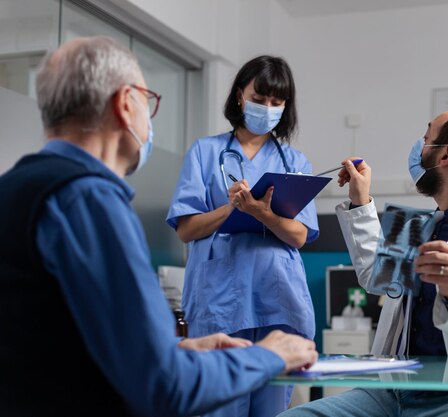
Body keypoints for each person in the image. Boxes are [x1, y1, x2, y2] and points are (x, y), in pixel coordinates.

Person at [0, 36, 317, 417]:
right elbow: (163, 384)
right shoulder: (88, 198)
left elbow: (64, 338)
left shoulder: (15, 186)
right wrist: (267, 358)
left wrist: (178, 350)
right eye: (148, 100)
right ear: (124, 104)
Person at [281, 107, 448, 417]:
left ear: (445, 155)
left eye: (426, 136)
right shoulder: (418, 224)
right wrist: (360, 200)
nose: (419, 145)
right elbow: (375, 276)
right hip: (392, 393)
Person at [166, 55, 318, 417]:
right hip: (220, 303)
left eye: (276, 103)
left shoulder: (294, 162)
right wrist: (232, 209)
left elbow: (299, 236)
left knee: (271, 411)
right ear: (239, 96)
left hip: (277, 304)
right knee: (219, 406)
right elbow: (187, 229)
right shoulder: (205, 152)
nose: (267, 108)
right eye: (259, 98)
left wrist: (263, 213)